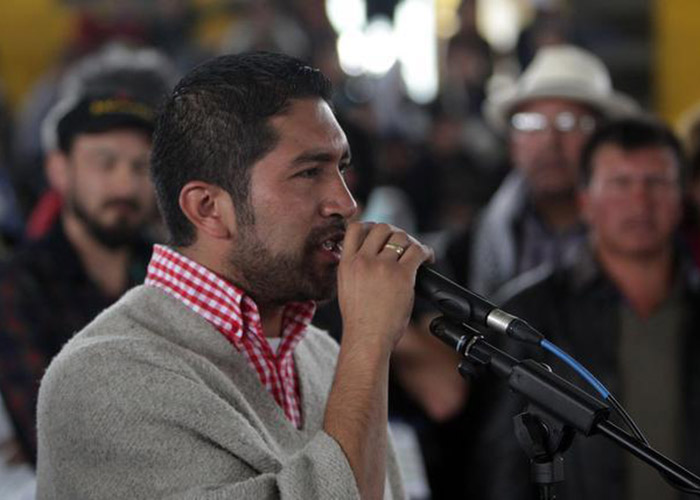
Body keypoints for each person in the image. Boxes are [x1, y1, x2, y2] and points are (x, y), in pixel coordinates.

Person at [36, 52, 432, 499]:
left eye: (340, 168)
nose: (346, 203)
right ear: (208, 208)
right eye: (308, 172)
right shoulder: (101, 378)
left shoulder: (321, 355)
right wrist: (369, 342)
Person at [469, 118, 700, 500]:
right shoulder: (528, 314)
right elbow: (502, 463)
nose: (640, 202)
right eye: (620, 183)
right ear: (585, 201)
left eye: (657, 183)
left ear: (682, 198)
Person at [0, 46, 175, 466]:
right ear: (60, 170)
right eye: (105, 163)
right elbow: (54, 438)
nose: (124, 185)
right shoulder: (19, 285)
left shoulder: (172, 276)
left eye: (140, 167)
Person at [463, 44, 638, 296]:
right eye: (531, 123)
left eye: (570, 123)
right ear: (512, 142)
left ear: (604, 140)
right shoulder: (486, 231)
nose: (550, 142)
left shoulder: (643, 222)